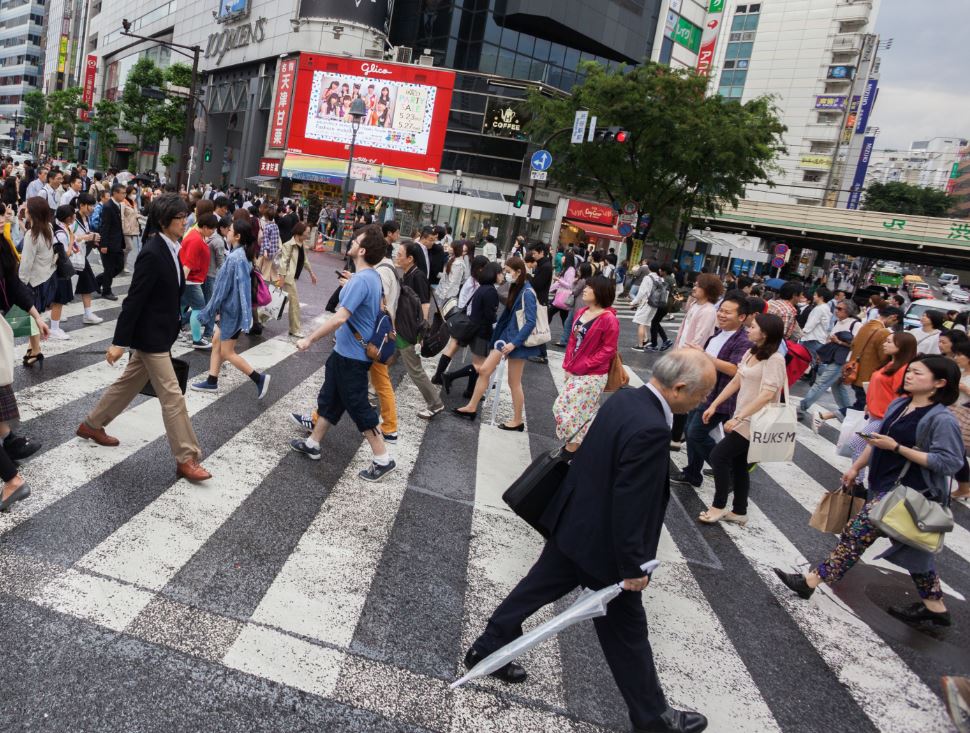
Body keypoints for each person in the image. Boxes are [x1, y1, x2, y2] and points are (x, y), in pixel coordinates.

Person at [466, 349, 715, 733]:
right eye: (702, 394)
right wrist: (634, 567)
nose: (704, 402)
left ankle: (488, 645)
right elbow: (631, 502)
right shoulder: (652, 427)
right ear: (680, 388)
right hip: (606, 546)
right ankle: (654, 719)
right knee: (627, 634)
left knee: (536, 587)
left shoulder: (627, 398)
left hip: (575, 523)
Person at [775, 356, 964, 628]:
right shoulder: (901, 404)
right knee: (916, 552)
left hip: (910, 493)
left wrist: (898, 448)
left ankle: (809, 581)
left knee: (855, 536)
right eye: (908, 371)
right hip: (884, 485)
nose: (908, 376)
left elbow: (949, 462)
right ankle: (935, 608)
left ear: (939, 383)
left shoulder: (941, 419)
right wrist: (857, 467)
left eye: (917, 373)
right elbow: (878, 440)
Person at [76, 193, 212, 483]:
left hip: (160, 333)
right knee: (173, 397)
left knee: (127, 384)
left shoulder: (172, 247)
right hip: (151, 339)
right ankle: (187, 457)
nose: (184, 221)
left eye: (184, 216)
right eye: (179, 217)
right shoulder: (152, 252)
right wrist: (118, 342)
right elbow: (134, 301)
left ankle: (91, 424)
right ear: (164, 220)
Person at [290, 226, 396, 482]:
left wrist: (310, 339)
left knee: (359, 406)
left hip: (352, 357)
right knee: (331, 399)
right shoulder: (369, 277)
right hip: (345, 354)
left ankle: (382, 458)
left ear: (361, 250)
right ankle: (314, 443)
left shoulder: (361, 281)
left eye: (355, 240)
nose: (351, 241)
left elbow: (340, 318)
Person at [698, 313, 786, 526]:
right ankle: (739, 511)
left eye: (753, 327)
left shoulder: (775, 359)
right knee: (739, 464)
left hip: (755, 421)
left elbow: (767, 395)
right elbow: (736, 382)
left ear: (765, 333)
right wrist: (714, 404)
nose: (748, 329)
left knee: (718, 456)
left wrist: (738, 417)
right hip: (743, 417)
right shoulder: (750, 352)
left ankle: (718, 506)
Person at [672, 292, 752, 488]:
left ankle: (725, 469)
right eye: (721, 310)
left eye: (728, 312)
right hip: (701, 391)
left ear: (741, 317)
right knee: (691, 434)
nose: (722, 315)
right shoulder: (717, 333)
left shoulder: (743, 341)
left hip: (720, 397)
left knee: (696, 433)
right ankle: (692, 473)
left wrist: (705, 356)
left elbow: (735, 370)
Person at [453, 256, 539, 429]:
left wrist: (514, 343)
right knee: (484, 370)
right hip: (506, 338)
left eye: (508, 272)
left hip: (515, 342)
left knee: (514, 382)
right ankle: (471, 407)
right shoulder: (517, 288)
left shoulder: (527, 292)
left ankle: (517, 420)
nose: (505, 275)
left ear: (518, 272)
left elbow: (530, 322)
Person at [190, 220, 271, 399]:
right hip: (232, 310)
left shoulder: (236, 258)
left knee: (227, 352)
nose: (227, 232)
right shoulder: (242, 254)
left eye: (230, 230)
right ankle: (212, 381)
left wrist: (210, 311)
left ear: (237, 236)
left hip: (232, 312)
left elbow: (222, 290)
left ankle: (258, 378)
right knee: (217, 342)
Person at [553, 275, 619, 453]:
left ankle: (572, 450)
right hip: (575, 370)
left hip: (593, 375)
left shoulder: (608, 318)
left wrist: (583, 367)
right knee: (569, 409)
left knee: (572, 411)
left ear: (600, 292)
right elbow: (573, 342)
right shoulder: (582, 311)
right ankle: (576, 448)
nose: (585, 289)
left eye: (590, 287)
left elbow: (608, 350)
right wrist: (568, 366)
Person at [670, 273, 724, 449]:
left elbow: (699, 340)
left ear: (707, 290)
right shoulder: (695, 305)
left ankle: (676, 436)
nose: (694, 287)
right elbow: (684, 330)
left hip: (691, 359)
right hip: (682, 355)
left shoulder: (708, 311)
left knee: (682, 398)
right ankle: (676, 434)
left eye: (698, 286)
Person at [441, 261, 502, 398]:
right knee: (480, 366)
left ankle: (469, 391)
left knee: (478, 364)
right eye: (500, 273)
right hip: (483, 331)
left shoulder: (483, 287)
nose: (502, 276)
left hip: (476, 329)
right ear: (494, 274)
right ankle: (451, 376)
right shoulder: (490, 291)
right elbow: (489, 315)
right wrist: (496, 324)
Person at [798, 299, 862, 419]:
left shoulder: (855, 324)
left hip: (844, 360)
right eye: (836, 308)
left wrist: (839, 342)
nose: (836, 311)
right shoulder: (839, 322)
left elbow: (857, 344)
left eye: (840, 309)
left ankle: (802, 408)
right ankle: (848, 414)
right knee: (837, 387)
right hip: (835, 358)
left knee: (821, 383)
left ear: (848, 311)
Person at [18, 197, 58, 364]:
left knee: (29, 316)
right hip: (46, 278)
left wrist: (19, 284)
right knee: (36, 315)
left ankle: (36, 351)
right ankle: (32, 346)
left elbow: (26, 263)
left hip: (32, 281)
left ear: (32, 212)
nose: (24, 210)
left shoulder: (31, 234)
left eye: (26, 208)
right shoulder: (48, 227)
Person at [179, 212, 217, 349]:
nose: (213, 232)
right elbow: (188, 263)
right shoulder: (196, 239)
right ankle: (196, 339)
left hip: (191, 280)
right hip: (191, 281)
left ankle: (175, 330)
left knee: (182, 305)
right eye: (212, 229)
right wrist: (181, 283)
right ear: (205, 227)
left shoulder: (196, 235)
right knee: (199, 308)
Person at [276, 221, 317, 338]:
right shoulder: (288, 245)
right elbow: (283, 263)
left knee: (278, 301)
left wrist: (311, 273)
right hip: (287, 278)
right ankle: (294, 329)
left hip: (290, 278)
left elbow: (305, 260)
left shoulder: (301, 243)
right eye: (307, 232)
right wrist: (282, 278)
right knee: (295, 304)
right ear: (299, 232)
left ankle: (259, 317)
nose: (308, 235)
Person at [71, 192, 104, 325]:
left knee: (87, 285)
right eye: (90, 206)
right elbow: (69, 237)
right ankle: (55, 318)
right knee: (63, 288)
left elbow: (83, 234)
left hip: (80, 257)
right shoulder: (73, 218)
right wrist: (88, 237)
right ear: (82, 205)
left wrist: (91, 236)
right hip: (72, 258)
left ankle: (88, 314)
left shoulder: (85, 218)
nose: (92, 209)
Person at [95, 183, 126, 301]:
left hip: (117, 243)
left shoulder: (117, 205)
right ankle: (106, 291)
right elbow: (105, 226)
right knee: (109, 268)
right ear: (115, 193)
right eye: (122, 193)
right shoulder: (108, 206)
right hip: (109, 244)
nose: (124, 195)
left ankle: (97, 281)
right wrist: (103, 244)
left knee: (119, 266)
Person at [630, 262, 664, 352]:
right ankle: (645, 340)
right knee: (645, 322)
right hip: (655, 304)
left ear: (649, 268)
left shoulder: (648, 278)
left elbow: (642, 292)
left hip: (646, 303)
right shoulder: (661, 279)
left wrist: (633, 302)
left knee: (640, 322)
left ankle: (640, 345)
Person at [527, 242, 552, 364]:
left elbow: (537, 284)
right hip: (539, 298)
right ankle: (538, 351)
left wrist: (528, 276)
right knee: (536, 325)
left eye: (535, 253)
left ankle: (543, 354)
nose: (533, 255)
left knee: (539, 326)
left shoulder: (546, 266)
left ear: (542, 252)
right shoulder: (543, 264)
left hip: (540, 300)